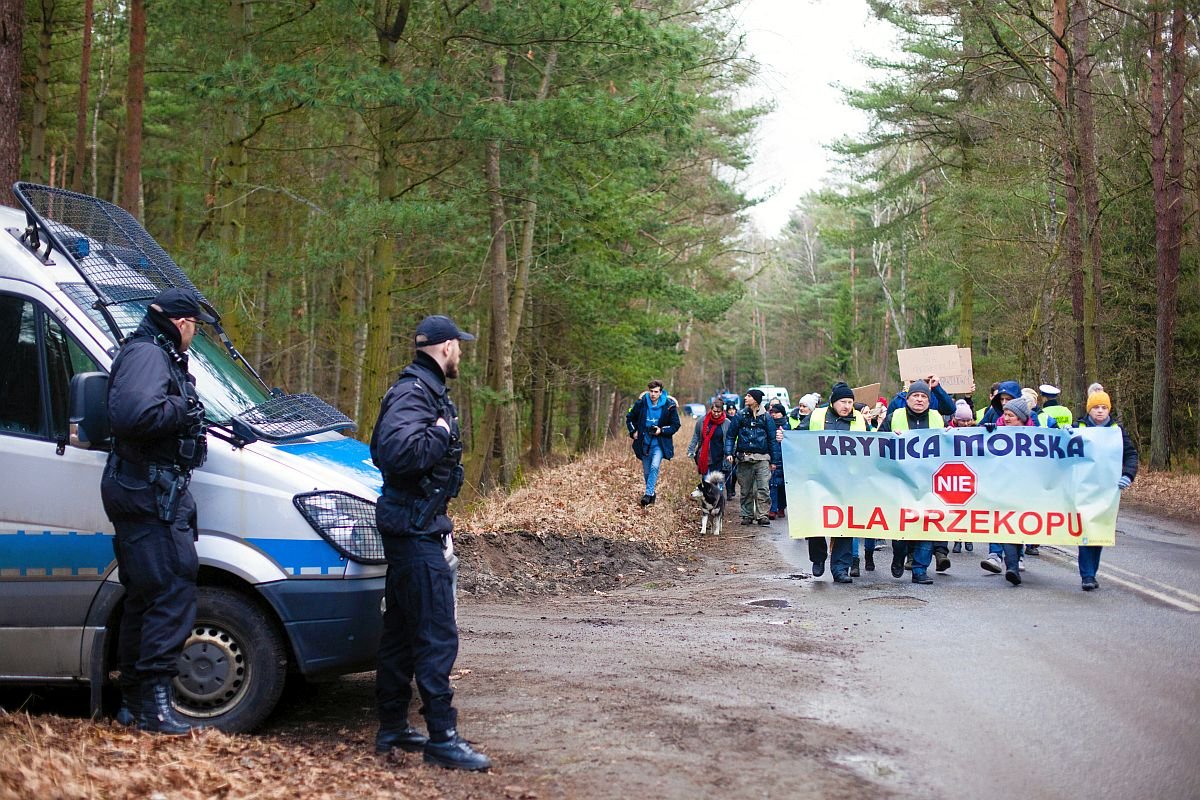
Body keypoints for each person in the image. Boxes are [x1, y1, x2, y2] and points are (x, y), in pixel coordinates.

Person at [371, 315, 490, 771]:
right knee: (436, 634)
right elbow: (395, 453)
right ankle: (443, 736)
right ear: (444, 348)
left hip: (413, 524)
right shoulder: (416, 392)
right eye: (458, 345)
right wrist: (441, 433)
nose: (461, 352)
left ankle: (392, 727)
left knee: (401, 633)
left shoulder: (419, 390)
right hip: (415, 530)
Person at [101, 288, 213, 735]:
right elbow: (132, 414)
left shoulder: (151, 350)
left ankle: (134, 704)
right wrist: (185, 407)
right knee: (170, 592)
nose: (194, 337)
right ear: (183, 323)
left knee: (146, 597)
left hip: (146, 489)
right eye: (196, 330)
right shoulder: (148, 354)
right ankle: (154, 709)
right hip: (148, 492)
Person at [878, 380, 945, 583]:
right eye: (915, 395)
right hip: (900, 483)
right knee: (901, 530)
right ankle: (899, 556)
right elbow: (877, 445)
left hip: (928, 484)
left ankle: (920, 570)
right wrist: (891, 438)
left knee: (926, 527)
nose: (919, 399)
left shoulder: (937, 418)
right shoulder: (893, 418)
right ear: (907, 399)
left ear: (929, 401)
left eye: (924, 396)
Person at [1076, 390, 1137, 591]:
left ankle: (1092, 571)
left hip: (1107, 491)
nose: (1100, 411)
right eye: (1096, 407)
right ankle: (1086, 576)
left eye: (1104, 407)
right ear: (1089, 409)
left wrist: (1128, 475)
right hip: (1083, 488)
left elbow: (1130, 454)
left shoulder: (1117, 430)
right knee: (1086, 529)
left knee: (1099, 530)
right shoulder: (1078, 427)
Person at [805, 382, 867, 583]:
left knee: (845, 525)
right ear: (833, 402)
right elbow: (798, 435)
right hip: (820, 478)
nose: (847, 406)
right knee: (816, 521)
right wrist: (784, 435)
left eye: (850, 402)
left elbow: (872, 442)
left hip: (847, 481)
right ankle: (818, 557)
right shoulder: (817, 416)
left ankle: (840, 568)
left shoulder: (859, 420)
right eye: (843, 401)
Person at [979, 396, 1035, 585]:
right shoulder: (994, 430)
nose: (1007, 417)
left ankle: (1015, 560)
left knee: (1020, 526)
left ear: (1022, 418)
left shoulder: (1036, 433)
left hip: (1025, 488)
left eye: (1012, 415)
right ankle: (1011, 567)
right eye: (1005, 414)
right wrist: (986, 432)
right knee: (1006, 525)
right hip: (1002, 487)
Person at [724, 388, 781, 526]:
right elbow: (731, 435)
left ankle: (762, 515)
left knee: (763, 488)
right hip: (744, 458)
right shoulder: (740, 415)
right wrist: (729, 453)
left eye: (748, 396)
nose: (745, 398)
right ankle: (747, 514)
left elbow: (772, 440)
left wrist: (774, 461)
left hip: (762, 458)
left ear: (755, 400)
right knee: (745, 489)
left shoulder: (766, 417)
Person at [625, 380, 681, 506]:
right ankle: (651, 493)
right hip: (644, 442)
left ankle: (648, 494)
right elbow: (629, 418)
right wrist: (633, 431)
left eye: (656, 392)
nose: (653, 394)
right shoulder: (641, 403)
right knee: (646, 471)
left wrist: (661, 430)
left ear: (661, 392)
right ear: (648, 391)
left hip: (660, 443)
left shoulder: (669, 405)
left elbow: (675, 425)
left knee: (655, 466)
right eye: (651, 391)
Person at [687, 398, 730, 480]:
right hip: (705, 457)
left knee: (717, 485)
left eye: (718, 412)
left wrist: (731, 452)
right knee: (707, 484)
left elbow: (730, 439)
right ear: (711, 410)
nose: (716, 414)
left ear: (722, 411)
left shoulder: (726, 423)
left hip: (720, 458)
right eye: (714, 411)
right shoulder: (702, 421)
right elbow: (696, 436)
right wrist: (691, 450)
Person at [767, 402, 789, 519]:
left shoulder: (787, 426)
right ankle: (773, 509)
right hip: (773, 458)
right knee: (773, 484)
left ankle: (781, 507)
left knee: (783, 487)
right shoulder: (769, 426)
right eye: (772, 413)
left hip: (785, 460)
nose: (774, 415)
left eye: (777, 413)